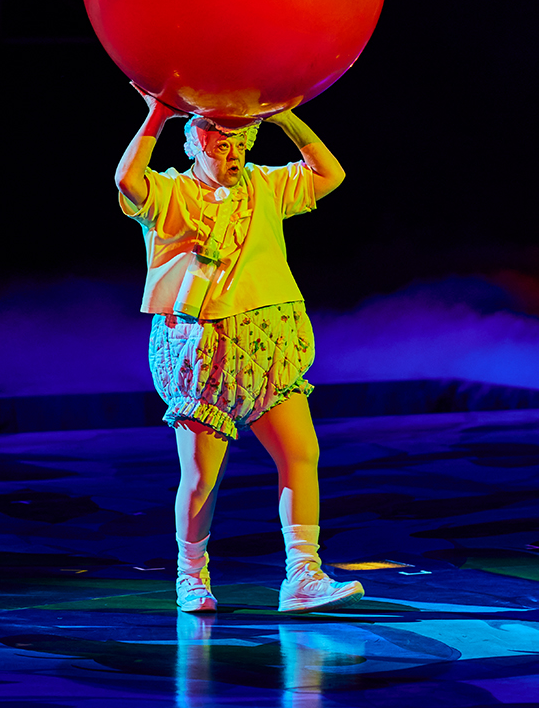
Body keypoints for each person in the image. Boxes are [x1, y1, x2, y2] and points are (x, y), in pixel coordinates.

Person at [115, 88, 363, 615]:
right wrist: (157, 116)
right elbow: (127, 182)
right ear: (194, 144)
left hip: (269, 344)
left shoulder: (267, 186)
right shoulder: (170, 193)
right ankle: (191, 575)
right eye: (221, 145)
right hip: (201, 351)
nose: (233, 155)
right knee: (203, 477)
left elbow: (329, 174)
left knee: (302, 454)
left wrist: (287, 117)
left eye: (241, 144)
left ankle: (303, 573)